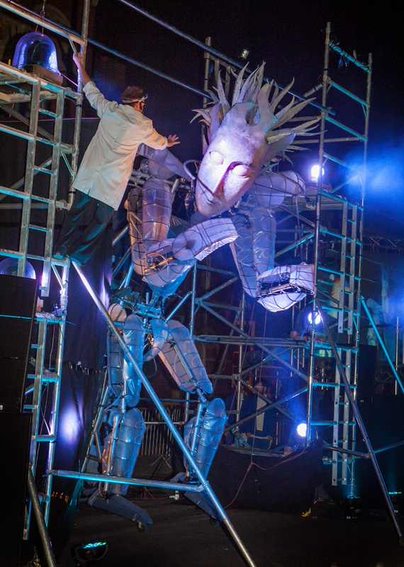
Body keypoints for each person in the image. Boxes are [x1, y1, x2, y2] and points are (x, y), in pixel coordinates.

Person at [54, 53, 180, 265]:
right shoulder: (143, 125)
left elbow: (90, 89)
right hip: (111, 183)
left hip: (91, 174)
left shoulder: (109, 110)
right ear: (140, 104)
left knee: (75, 213)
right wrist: (167, 142)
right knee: (99, 222)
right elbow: (158, 143)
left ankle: (61, 249)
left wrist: (79, 65)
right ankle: (78, 254)